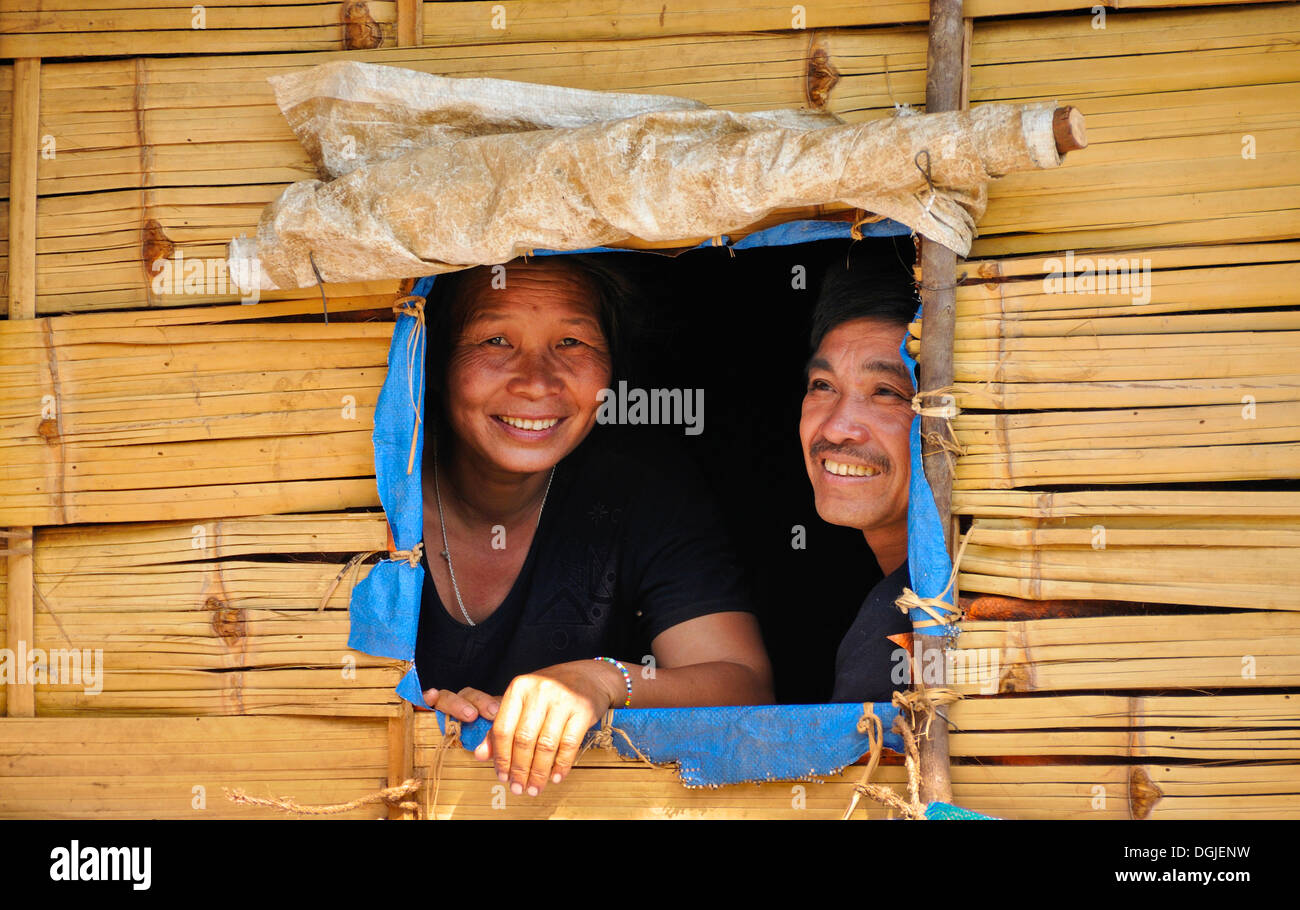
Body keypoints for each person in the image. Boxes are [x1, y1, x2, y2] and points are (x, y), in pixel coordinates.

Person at [415, 253, 773, 798]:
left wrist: (601, 680)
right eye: (494, 341)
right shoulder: (369, 500)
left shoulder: (642, 491)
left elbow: (744, 685)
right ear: (433, 363)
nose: (537, 382)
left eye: (571, 343)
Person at [798, 255, 919, 704]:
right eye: (823, 385)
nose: (834, 427)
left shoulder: (911, 627)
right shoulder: (894, 606)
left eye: (886, 392)